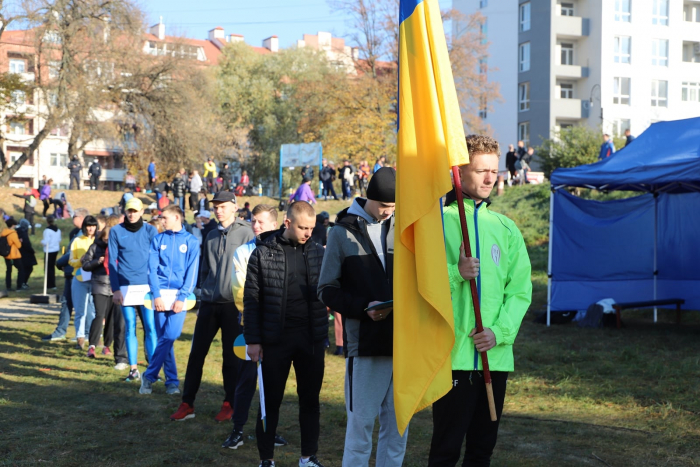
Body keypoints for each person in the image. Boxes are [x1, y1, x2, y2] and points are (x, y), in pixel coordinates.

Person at [428, 135, 532, 466]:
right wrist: (456, 272)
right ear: (459, 172)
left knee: (481, 450)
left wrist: (498, 333)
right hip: (453, 356)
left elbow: (519, 291)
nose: (490, 178)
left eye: (494, 170)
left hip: (494, 356)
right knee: (445, 450)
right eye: (480, 170)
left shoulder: (506, 228)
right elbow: (419, 283)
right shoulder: (437, 222)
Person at [318, 167, 407, 467]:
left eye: (393, 208)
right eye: (383, 207)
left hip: (404, 345)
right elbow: (326, 289)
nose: (387, 213)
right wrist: (362, 308)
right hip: (365, 346)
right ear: (369, 198)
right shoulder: (341, 232)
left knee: (398, 432)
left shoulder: (403, 227)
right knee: (360, 433)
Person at [243, 201, 327, 467]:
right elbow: (252, 299)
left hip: (311, 339)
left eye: (312, 228)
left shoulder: (318, 252)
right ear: (287, 223)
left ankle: (308, 457)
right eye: (303, 227)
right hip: (274, 340)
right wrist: (253, 340)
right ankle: (266, 459)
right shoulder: (262, 253)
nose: (308, 233)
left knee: (310, 401)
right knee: (270, 403)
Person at [171, 191, 254, 421]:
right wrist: (203, 291)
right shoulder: (210, 235)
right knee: (196, 353)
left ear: (234, 207)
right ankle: (187, 403)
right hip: (209, 303)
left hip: (233, 305)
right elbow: (205, 269)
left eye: (223, 206)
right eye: (216, 206)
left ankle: (230, 403)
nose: (218, 210)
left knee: (231, 357)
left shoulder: (247, 233)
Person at [222, 204, 287, 449]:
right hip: (249, 326)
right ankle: (237, 429)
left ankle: (270, 430)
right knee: (246, 379)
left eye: (260, 222)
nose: (255, 226)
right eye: (253, 221)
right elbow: (240, 293)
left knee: (273, 381)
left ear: (274, 225)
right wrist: (254, 325)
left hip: (277, 328)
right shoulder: (243, 252)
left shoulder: (283, 250)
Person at [139, 205, 200, 395]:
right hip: (159, 297)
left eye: (164, 218)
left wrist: (182, 297)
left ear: (176, 217)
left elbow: (192, 272)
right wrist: (156, 294)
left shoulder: (191, 241)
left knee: (170, 336)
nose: (161, 221)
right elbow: (152, 269)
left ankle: (149, 376)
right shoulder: (158, 239)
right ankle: (172, 382)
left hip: (180, 297)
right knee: (165, 339)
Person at [108, 197, 159, 382]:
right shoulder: (115, 231)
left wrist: (157, 287)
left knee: (151, 327)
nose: (131, 214)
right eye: (129, 210)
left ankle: (153, 371)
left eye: (135, 211)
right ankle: (133, 369)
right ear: (125, 211)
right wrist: (115, 289)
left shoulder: (150, 230)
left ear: (141, 212)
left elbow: (157, 260)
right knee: (130, 327)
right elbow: (112, 262)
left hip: (147, 286)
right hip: (125, 286)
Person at [83, 217, 127, 366]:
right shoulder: (95, 247)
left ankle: (107, 345)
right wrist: (98, 261)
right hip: (99, 285)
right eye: (106, 238)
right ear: (102, 237)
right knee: (99, 314)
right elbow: (85, 265)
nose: (109, 241)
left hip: (115, 287)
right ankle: (92, 345)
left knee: (112, 318)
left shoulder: (117, 248)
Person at [41, 209, 86, 342]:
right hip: (70, 271)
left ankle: (86, 333)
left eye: (74, 216)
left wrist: (59, 262)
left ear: (81, 217)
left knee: (81, 304)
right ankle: (61, 331)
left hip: (75, 272)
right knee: (66, 302)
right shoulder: (77, 232)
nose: (72, 219)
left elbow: (72, 253)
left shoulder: (82, 234)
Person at [70, 215, 98, 350]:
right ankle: (80, 338)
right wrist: (79, 261)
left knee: (94, 311)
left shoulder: (99, 241)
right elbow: (71, 260)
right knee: (80, 310)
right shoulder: (77, 240)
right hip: (80, 278)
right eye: (88, 225)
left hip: (95, 280)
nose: (90, 228)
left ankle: (93, 337)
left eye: (93, 225)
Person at [2, 218, 23, 292]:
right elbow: (18, 245)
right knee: (21, 269)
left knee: (8, 270)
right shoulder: (13, 234)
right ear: (13, 225)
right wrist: (20, 241)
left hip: (6, 254)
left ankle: (8, 286)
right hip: (14, 255)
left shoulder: (3, 232)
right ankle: (19, 286)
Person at [41, 215, 61, 290]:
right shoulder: (58, 230)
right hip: (55, 249)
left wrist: (42, 242)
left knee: (47, 268)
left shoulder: (47, 231)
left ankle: (49, 284)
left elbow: (46, 241)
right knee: (52, 267)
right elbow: (59, 239)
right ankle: (52, 283)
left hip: (48, 250)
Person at [17, 219, 36, 289]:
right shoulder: (23, 233)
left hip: (20, 253)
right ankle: (23, 282)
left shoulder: (18, 231)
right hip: (26, 254)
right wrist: (32, 250)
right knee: (28, 268)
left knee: (24, 269)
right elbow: (26, 244)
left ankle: (23, 282)